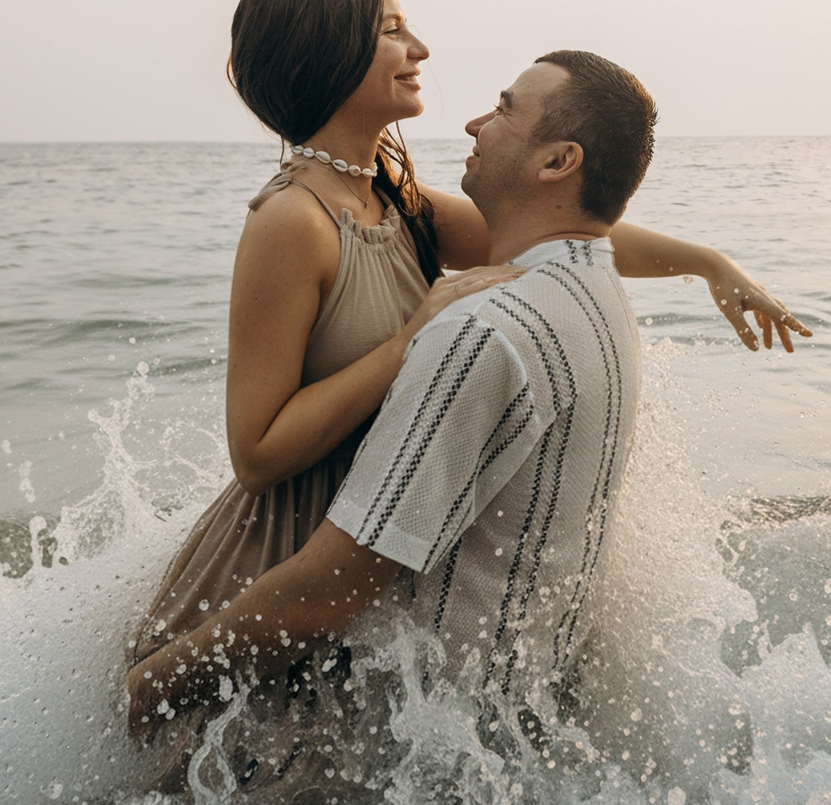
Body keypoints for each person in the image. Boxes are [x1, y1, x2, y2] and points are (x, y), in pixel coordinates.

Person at [128, 0, 803, 670]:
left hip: (363, 539)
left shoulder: (394, 196)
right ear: (329, 51)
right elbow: (256, 453)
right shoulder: (292, 221)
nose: (419, 49)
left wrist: (709, 264)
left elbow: (560, 226)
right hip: (282, 555)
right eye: (392, 30)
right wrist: (408, 345)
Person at [128, 49, 661, 729]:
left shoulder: (482, 330)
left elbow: (325, 593)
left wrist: (155, 682)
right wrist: (710, 262)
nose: (475, 124)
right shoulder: (597, 291)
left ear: (557, 162)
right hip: (523, 713)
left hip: (420, 748)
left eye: (502, 108)